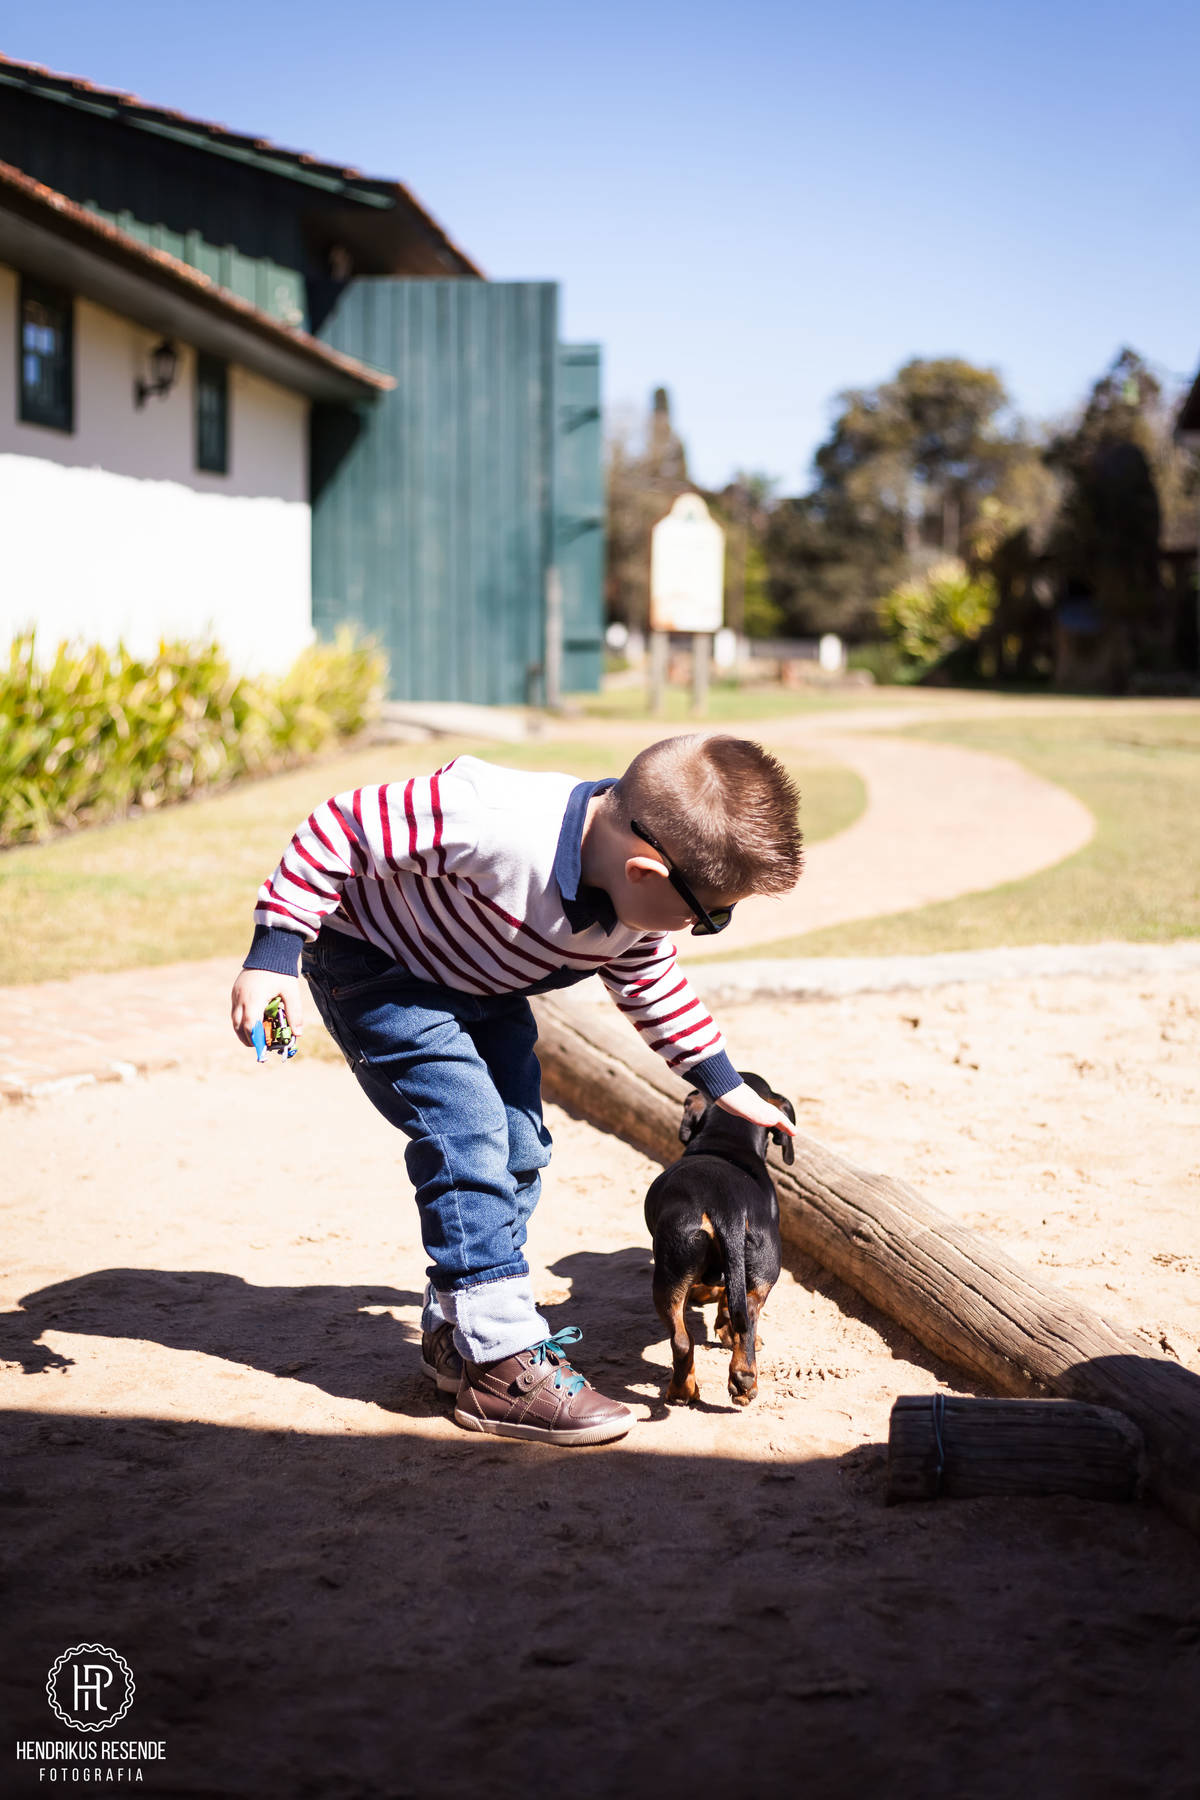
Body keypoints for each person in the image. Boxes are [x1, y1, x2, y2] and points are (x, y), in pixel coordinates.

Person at [230, 733, 802, 1447]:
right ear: (644, 869)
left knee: (521, 1146)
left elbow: (651, 984)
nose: (708, 927)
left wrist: (720, 1084)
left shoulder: (634, 908)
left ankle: (459, 1328)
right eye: (710, 915)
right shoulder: (495, 819)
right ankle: (499, 1359)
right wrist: (275, 950)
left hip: (481, 986)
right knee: (467, 1133)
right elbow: (341, 826)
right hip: (378, 969)